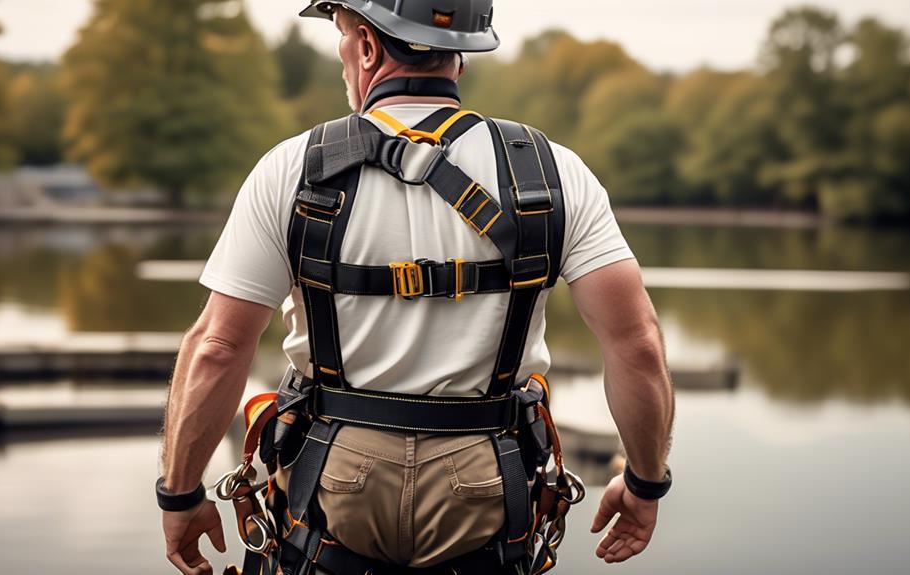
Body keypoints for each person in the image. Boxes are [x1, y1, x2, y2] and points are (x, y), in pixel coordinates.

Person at [157, 2, 675, 574]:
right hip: (485, 482)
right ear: (461, 59)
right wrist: (646, 484)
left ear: (369, 49)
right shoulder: (553, 172)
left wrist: (180, 495)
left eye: (343, 43)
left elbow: (218, 347)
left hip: (333, 480)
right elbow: (637, 345)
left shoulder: (293, 169)